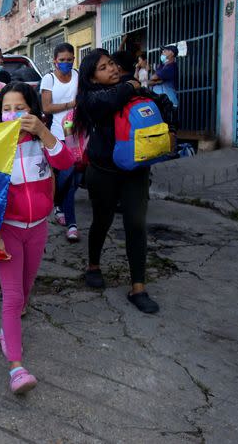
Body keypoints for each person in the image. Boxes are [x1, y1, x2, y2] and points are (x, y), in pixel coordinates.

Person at [0, 82, 73, 394]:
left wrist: (43, 131)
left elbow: (66, 163)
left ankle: (5, 332)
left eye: (20, 108)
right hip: (8, 230)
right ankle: (16, 367)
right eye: (7, 109)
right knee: (12, 298)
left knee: (23, 295)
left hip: (38, 228)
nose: (13, 114)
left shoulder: (42, 139)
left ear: (33, 110)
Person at [74, 49, 166, 314]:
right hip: (102, 172)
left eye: (112, 64)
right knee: (101, 221)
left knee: (136, 223)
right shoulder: (91, 98)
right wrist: (130, 85)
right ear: (92, 78)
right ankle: (93, 265)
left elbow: (164, 108)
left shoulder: (134, 91)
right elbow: (111, 100)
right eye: (103, 68)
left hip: (136, 171)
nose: (112, 69)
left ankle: (138, 287)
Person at [39, 43, 80, 241]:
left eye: (69, 59)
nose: (66, 63)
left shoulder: (78, 75)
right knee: (67, 175)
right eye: (62, 60)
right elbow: (46, 107)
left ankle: (59, 204)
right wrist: (69, 105)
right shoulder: (49, 79)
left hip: (77, 134)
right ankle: (71, 223)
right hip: (57, 134)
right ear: (55, 60)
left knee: (74, 177)